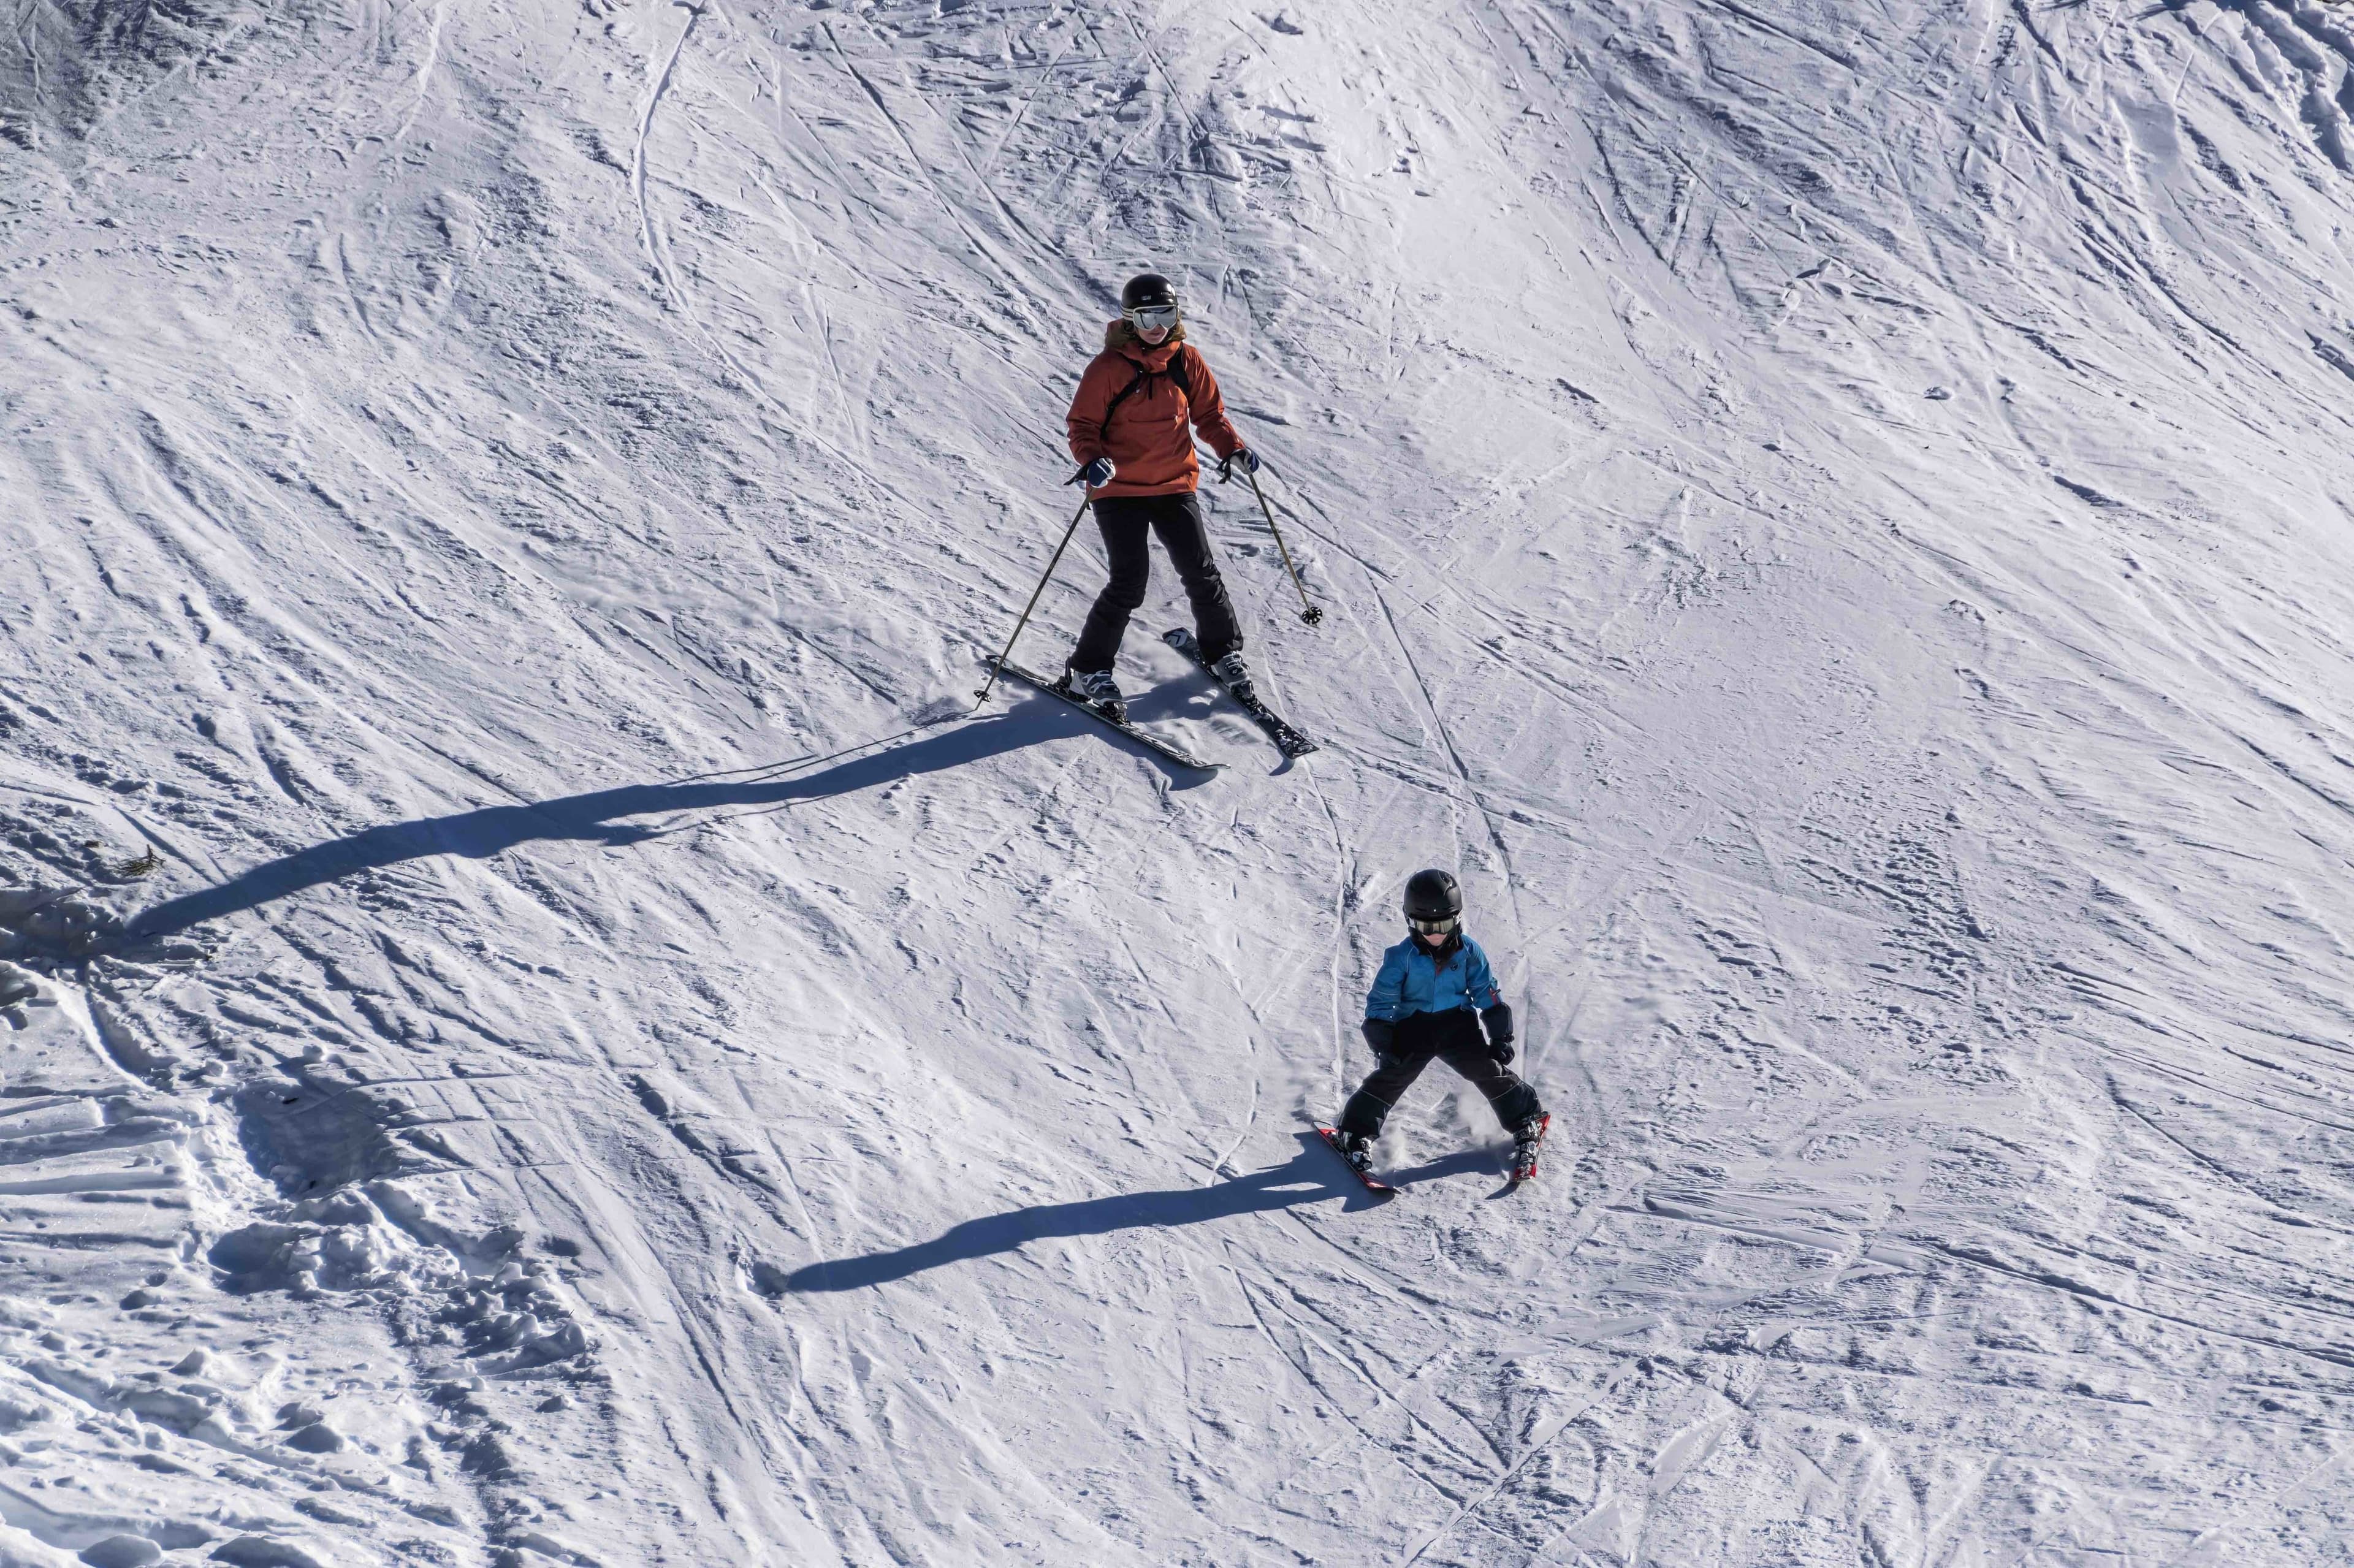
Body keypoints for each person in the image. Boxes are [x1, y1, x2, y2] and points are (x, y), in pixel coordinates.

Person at [1060, 272, 1262, 722]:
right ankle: (1087, 669)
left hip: (1174, 484)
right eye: (1148, 315)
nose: (1158, 325)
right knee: (1129, 583)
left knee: (1200, 571)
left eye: (1167, 314)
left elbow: (1210, 414)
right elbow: (1083, 426)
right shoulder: (1108, 368)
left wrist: (1232, 448)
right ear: (1131, 319)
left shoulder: (1186, 361)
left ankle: (1220, 651)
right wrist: (1091, 459)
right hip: (1118, 490)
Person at [1336, 869, 1546, 1175]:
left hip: (1457, 1025)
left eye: (1443, 924)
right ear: (1410, 921)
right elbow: (1382, 999)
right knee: (1393, 1075)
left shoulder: (1469, 952)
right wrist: (1383, 1039)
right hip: (1415, 1026)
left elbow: (1487, 993)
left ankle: (1527, 1118)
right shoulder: (1401, 957)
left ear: (1457, 918)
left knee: (1485, 1068)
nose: (1435, 934)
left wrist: (1501, 1036)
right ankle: (1353, 1133)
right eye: (1425, 926)